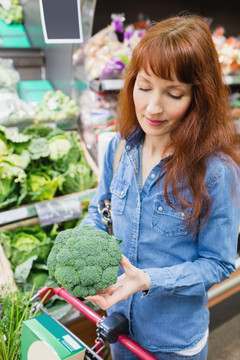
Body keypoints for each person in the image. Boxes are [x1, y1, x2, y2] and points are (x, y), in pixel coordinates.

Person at [81, 14, 240, 360]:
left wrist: (148, 280)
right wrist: (83, 250)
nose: (153, 107)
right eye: (144, 86)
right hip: (118, 330)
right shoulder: (119, 147)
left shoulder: (216, 172)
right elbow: (99, 211)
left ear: (198, 98)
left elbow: (218, 263)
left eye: (173, 93)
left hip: (173, 344)